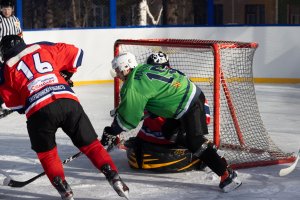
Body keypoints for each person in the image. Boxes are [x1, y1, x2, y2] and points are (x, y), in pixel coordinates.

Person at [0, 35, 129, 200]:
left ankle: (65, 191)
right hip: (67, 100)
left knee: (48, 155)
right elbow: (77, 55)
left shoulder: (5, 69)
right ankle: (113, 176)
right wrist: (65, 75)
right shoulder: (40, 46)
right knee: (92, 146)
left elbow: (16, 105)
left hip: (38, 111)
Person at [101, 51, 242, 193]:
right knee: (169, 131)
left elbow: (128, 121)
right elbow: (159, 90)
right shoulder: (143, 68)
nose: (117, 74)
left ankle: (227, 175)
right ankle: (206, 151)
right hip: (187, 97)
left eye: (118, 70)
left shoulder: (132, 86)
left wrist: (112, 131)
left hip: (188, 104)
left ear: (126, 67)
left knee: (195, 142)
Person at [123, 52, 212, 172]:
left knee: (180, 135)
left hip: (181, 125)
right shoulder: (172, 78)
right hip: (163, 130)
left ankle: (203, 150)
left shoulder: (170, 83)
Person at [0, 0, 23, 116]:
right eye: (4, 8)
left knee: (13, 77)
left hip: (14, 54)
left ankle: (10, 100)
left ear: (12, 9)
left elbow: (19, 35)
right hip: (1, 55)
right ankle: (2, 103)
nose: (7, 11)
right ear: (1, 9)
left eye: (9, 8)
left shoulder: (16, 20)